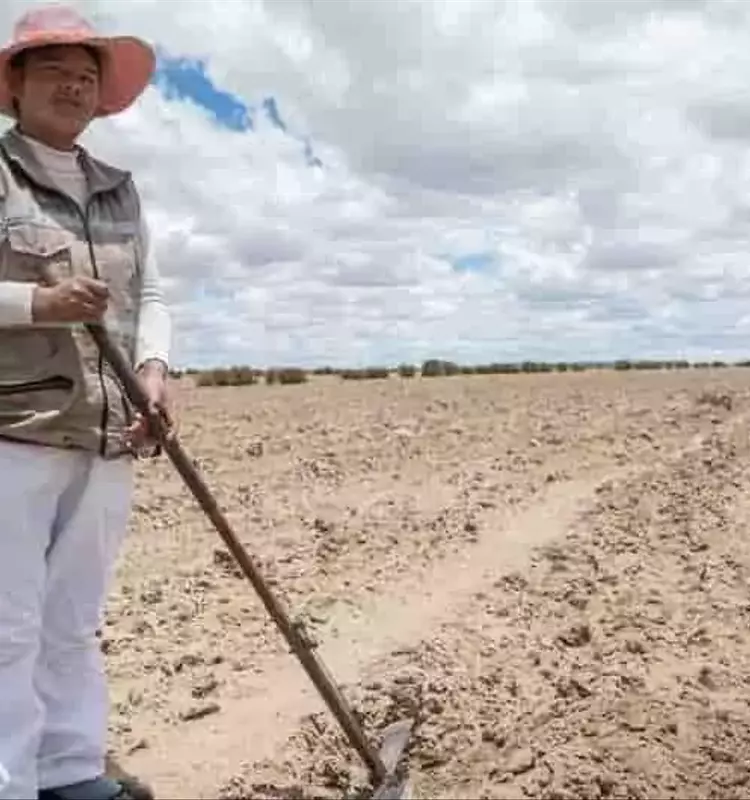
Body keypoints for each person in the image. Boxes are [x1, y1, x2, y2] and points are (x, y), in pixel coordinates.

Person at [0, 6, 172, 800]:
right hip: (17, 429)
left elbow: (154, 293)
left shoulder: (118, 189)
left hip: (111, 433)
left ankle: (69, 771)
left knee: (72, 620)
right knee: (8, 628)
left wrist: (156, 368)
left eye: (86, 75)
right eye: (53, 70)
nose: (73, 85)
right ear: (15, 85)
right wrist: (40, 304)